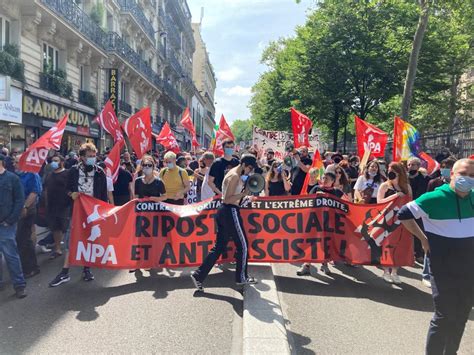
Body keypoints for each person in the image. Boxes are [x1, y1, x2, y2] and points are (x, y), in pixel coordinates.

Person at [398, 158, 473, 355]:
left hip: (469, 267)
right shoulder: (434, 197)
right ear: (452, 174)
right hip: (442, 265)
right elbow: (404, 214)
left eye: (472, 176)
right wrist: (422, 239)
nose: (468, 179)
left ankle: (451, 352)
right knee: (444, 315)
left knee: (461, 314)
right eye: (464, 174)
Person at [191, 155, 259, 291]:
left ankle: (198, 275)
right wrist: (244, 194)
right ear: (244, 164)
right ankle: (241, 277)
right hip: (230, 211)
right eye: (250, 168)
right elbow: (227, 199)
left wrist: (244, 196)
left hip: (225, 212)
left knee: (219, 247)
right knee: (243, 245)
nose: (250, 171)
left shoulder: (234, 173)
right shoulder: (234, 175)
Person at [49, 143, 113, 287]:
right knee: (73, 239)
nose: (92, 158)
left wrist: (104, 212)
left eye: (94, 156)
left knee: (89, 241)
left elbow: (103, 196)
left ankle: (87, 269)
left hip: (93, 212)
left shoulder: (100, 173)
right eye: (89, 156)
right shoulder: (73, 171)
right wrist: (71, 194)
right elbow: (66, 190)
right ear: (81, 158)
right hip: (77, 212)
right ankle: (64, 272)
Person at [297, 172, 344, 276]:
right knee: (311, 243)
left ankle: (324, 264)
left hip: (329, 223)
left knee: (326, 244)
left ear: (332, 181)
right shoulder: (316, 188)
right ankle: (306, 265)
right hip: (315, 221)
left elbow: (346, 203)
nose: (324, 179)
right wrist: (316, 196)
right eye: (323, 177)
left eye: (327, 178)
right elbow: (307, 201)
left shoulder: (337, 192)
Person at [376, 162, 413, 285]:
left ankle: (395, 272)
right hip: (387, 220)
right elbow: (379, 202)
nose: (390, 172)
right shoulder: (384, 186)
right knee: (387, 244)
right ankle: (386, 271)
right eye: (389, 170)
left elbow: (410, 204)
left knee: (400, 245)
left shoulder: (407, 186)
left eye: (393, 171)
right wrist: (395, 196)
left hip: (402, 220)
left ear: (399, 173)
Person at [0, 153, 27, 298]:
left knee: (11, 256)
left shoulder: (12, 179)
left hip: (6, 224)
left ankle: (19, 285)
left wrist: (10, 220)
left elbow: (19, 201)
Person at [13, 155, 42, 279]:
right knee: (23, 239)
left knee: (23, 239)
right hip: (16, 210)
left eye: (16, 162)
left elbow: (34, 192)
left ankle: (30, 268)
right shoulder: (16, 175)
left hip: (27, 210)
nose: (14, 164)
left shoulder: (32, 175)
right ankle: (30, 266)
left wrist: (25, 206)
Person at [43, 155, 70, 259]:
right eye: (52, 161)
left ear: (62, 162)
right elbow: (46, 189)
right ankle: (57, 248)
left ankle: (68, 247)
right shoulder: (49, 175)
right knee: (55, 227)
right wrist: (46, 203)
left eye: (56, 160)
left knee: (64, 227)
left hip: (64, 206)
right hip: (52, 206)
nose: (53, 162)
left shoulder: (67, 174)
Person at [407, 157, 429, 264]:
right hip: (406, 207)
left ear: (418, 166)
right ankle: (406, 253)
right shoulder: (404, 178)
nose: (411, 167)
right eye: (409, 165)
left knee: (418, 230)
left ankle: (418, 254)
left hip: (419, 208)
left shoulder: (425, 179)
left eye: (414, 164)